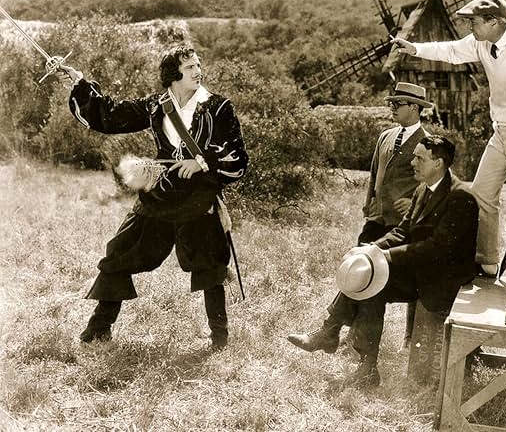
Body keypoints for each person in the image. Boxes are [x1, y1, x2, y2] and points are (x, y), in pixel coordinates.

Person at [60, 46, 249, 350]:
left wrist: (200, 163)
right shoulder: (155, 106)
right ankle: (98, 330)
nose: (198, 71)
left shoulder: (218, 107)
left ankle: (220, 339)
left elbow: (237, 156)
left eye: (198, 64)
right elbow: (109, 116)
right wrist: (79, 81)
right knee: (118, 254)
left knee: (210, 266)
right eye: (189, 67)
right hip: (159, 196)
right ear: (173, 75)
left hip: (199, 199)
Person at [392, 0, 506, 289]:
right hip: (501, 131)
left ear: (494, 22)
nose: (469, 26)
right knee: (481, 195)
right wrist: (415, 47)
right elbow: (452, 51)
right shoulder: (481, 42)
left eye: (474, 21)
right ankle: (487, 262)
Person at [287, 135, 478, 388]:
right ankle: (364, 365)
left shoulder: (460, 196)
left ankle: (329, 332)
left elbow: (438, 249)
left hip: (443, 279)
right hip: (421, 269)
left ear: (439, 163)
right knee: (366, 276)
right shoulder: (423, 189)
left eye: (419, 158)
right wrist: (370, 249)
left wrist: (385, 256)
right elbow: (402, 231)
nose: (412, 162)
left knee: (373, 272)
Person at [358, 82, 431, 244]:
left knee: (390, 267)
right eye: (391, 103)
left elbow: (435, 184)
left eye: (398, 103)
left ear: (414, 107)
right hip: (376, 218)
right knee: (359, 260)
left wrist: (414, 204)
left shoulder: (428, 143)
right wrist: (370, 204)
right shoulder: (385, 136)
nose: (392, 107)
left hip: (402, 223)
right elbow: (374, 174)